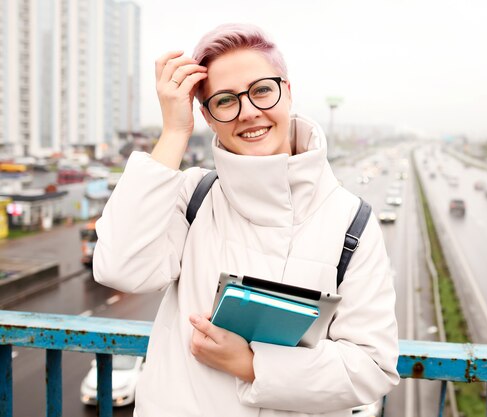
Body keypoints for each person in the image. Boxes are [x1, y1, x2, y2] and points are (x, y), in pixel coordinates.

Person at [93, 23, 399, 417]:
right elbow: (120, 268)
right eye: (224, 101)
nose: (249, 112)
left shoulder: (350, 222)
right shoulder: (193, 196)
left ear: (287, 91)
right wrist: (173, 132)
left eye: (261, 90)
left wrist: (253, 366)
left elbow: (371, 368)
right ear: (207, 116)